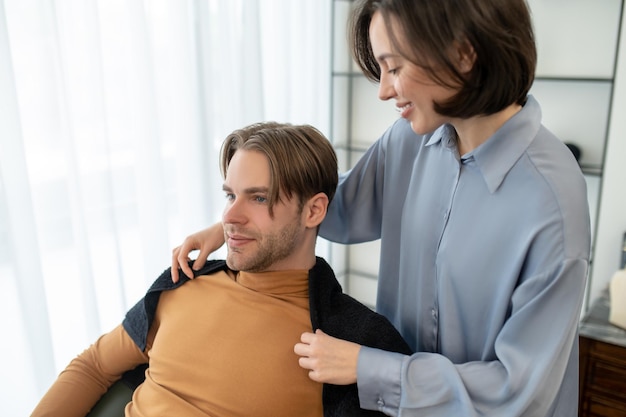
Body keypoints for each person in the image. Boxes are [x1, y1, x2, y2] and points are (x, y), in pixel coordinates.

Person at [171, 1, 591, 416]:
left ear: (463, 54)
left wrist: (367, 367)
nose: (384, 90)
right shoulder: (409, 140)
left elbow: (520, 391)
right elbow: (332, 209)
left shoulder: (550, 202)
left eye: (394, 67)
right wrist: (236, 222)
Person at [30, 122, 411, 417]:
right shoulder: (182, 285)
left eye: (258, 198)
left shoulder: (350, 347)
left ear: (313, 211)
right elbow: (94, 366)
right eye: (230, 195)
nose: (229, 215)